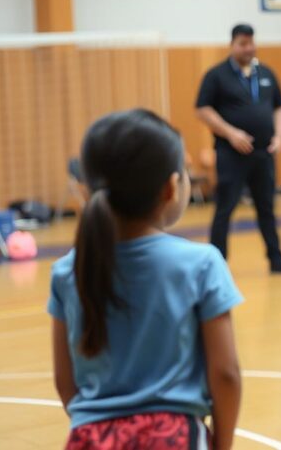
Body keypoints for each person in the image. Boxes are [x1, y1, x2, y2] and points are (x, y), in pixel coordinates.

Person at [48, 109, 243, 450]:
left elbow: (65, 383)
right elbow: (225, 374)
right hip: (174, 436)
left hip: (89, 437)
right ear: (171, 188)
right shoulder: (201, 263)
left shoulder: (67, 271)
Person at [196, 23, 281, 273]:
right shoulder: (216, 75)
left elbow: (280, 106)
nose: (248, 48)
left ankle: (277, 259)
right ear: (232, 45)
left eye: (251, 43)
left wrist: (278, 136)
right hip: (231, 153)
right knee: (225, 207)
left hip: (263, 154)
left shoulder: (265, 72)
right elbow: (203, 109)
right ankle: (216, 263)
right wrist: (231, 133)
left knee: (266, 207)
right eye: (243, 44)